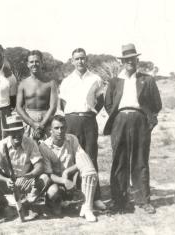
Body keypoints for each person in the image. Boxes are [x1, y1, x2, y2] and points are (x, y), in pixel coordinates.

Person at [103, 43, 162, 214]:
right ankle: (119, 201)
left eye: (132, 58)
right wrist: (120, 116)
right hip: (120, 121)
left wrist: (145, 116)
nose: (130, 62)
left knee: (140, 160)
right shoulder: (114, 81)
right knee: (119, 161)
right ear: (122, 61)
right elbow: (108, 103)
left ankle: (143, 200)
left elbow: (157, 104)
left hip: (140, 121)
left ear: (137, 59)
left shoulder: (147, 79)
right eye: (126, 59)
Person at [58, 48, 106, 210]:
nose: (80, 61)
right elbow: (63, 104)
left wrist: (91, 113)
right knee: (71, 159)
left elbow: (100, 101)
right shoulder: (66, 81)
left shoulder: (96, 79)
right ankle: (73, 195)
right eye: (77, 59)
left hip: (88, 120)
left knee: (90, 156)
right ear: (72, 61)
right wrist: (72, 116)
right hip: (71, 121)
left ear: (87, 60)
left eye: (82, 58)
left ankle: (95, 197)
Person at [0, 115, 49, 220]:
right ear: (8, 133)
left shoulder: (30, 143)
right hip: (7, 181)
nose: (17, 135)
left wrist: (28, 176)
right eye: (13, 132)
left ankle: (28, 204)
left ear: (23, 131)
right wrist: (6, 180)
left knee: (45, 178)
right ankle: (3, 204)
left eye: (19, 131)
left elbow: (40, 166)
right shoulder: (0, 145)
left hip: (25, 180)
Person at [39, 115, 98, 222]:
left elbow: (81, 158)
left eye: (62, 127)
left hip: (71, 177)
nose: (60, 131)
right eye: (56, 128)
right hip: (56, 181)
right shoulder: (44, 146)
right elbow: (49, 174)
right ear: (50, 130)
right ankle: (55, 202)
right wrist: (64, 180)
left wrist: (67, 171)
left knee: (89, 171)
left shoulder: (72, 138)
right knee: (53, 192)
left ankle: (87, 208)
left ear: (66, 128)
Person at [16, 50, 58, 141]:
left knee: (48, 150)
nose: (34, 64)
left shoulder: (51, 83)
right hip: (29, 120)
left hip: (46, 120)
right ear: (27, 64)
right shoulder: (23, 84)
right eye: (31, 62)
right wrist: (32, 123)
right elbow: (18, 107)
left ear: (41, 63)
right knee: (29, 150)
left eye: (37, 61)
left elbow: (53, 107)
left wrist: (42, 124)